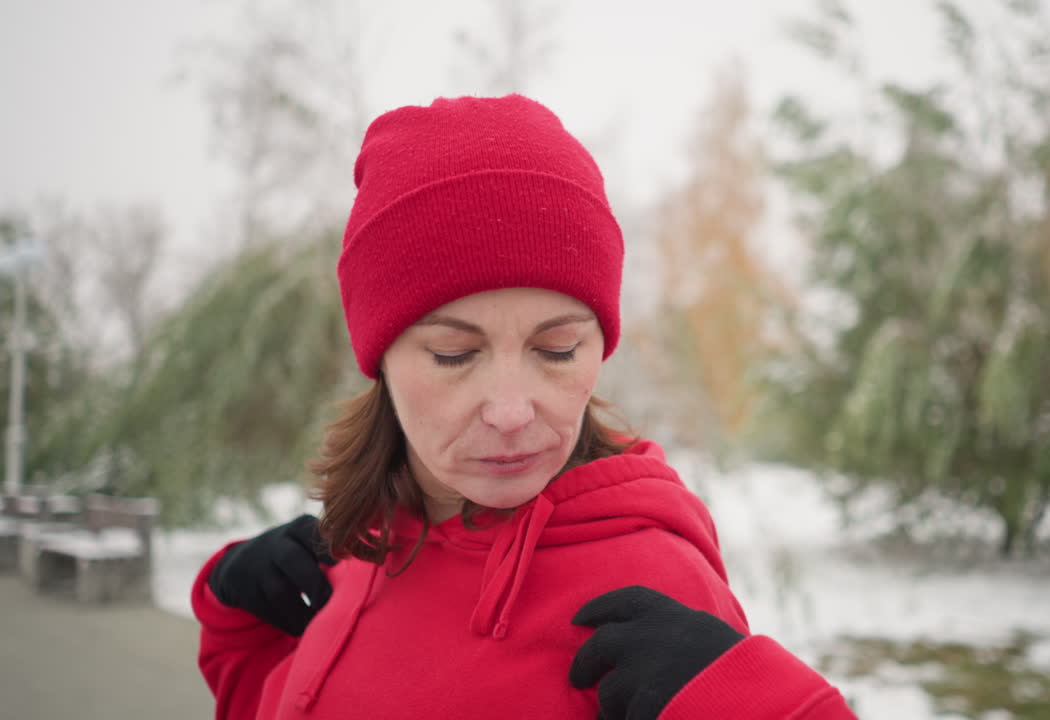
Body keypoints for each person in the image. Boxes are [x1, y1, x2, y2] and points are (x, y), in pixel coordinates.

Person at [191, 94, 857, 720]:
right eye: (454, 354)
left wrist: (755, 703)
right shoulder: (354, 550)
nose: (511, 412)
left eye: (558, 348)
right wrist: (240, 628)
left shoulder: (649, 589)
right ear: (380, 357)